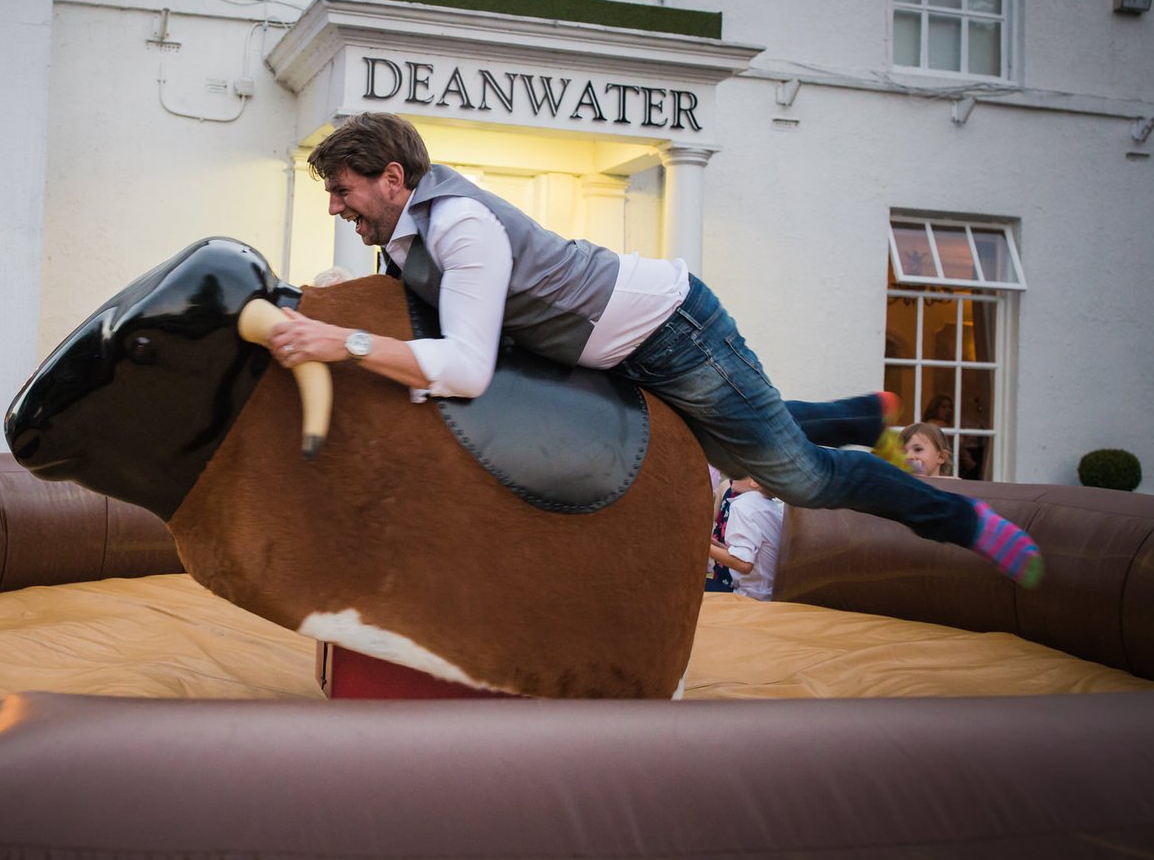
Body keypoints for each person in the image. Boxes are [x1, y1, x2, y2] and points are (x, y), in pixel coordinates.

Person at [266, 112, 1042, 588]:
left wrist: (342, 341)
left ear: (393, 178)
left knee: (794, 476)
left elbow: (465, 371)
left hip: (674, 332)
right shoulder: (404, 245)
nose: (337, 207)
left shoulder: (458, 224)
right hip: (613, 352)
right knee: (722, 437)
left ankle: (964, 523)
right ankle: (855, 413)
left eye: (342, 191)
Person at [708, 476, 785, 601]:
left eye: (738, 471)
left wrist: (699, 545)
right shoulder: (770, 506)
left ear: (754, 482)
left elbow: (744, 564)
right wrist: (713, 545)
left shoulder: (743, 505)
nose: (731, 475)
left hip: (751, 597)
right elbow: (752, 554)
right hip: (769, 594)